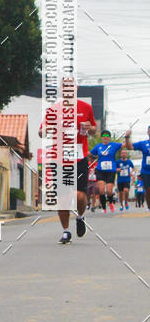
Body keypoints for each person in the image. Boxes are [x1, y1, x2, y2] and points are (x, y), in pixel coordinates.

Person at [39, 87, 97, 244]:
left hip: (79, 158)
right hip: (59, 159)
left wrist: (88, 128)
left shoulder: (85, 107)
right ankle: (66, 231)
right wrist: (47, 130)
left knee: (79, 196)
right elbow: (41, 131)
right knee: (63, 199)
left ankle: (80, 216)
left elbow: (94, 130)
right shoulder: (53, 109)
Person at [90, 131, 123, 213]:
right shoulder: (98, 146)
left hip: (110, 171)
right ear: (102, 137)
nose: (105, 137)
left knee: (109, 191)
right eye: (104, 136)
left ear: (109, 137)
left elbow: (124, 145)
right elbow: (90, 153)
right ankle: (104, 207)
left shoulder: (114, 145)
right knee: (101, 190)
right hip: (100, 170)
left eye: (107, 136)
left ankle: (111, 202)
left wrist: (126, 137)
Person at [124, 126, 150, 210]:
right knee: (148, 190)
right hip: (146, 171)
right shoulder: (143, 144)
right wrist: (127, 137)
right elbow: (129, 147)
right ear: (148, 132)